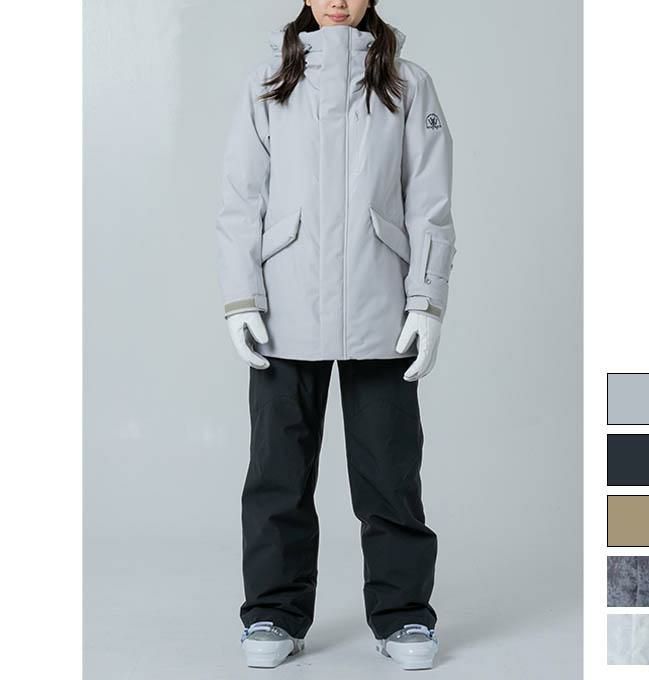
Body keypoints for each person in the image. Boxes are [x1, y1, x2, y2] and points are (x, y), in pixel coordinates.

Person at [215, 0, 456, 670]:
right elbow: (242, 198)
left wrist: (426, 302)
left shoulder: (407, 82)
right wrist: (241, 297)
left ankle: (404, 616)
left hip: (381, 304)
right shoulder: (269, 80)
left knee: (390, 474)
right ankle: (273, 612)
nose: (338, 0)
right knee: (277, 474)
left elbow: (430, 201)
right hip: (285, 306)